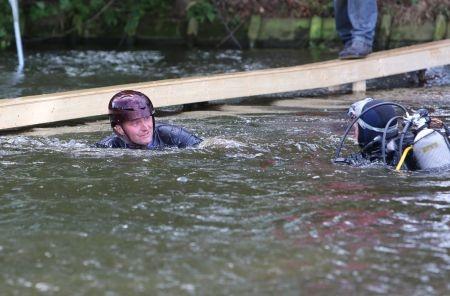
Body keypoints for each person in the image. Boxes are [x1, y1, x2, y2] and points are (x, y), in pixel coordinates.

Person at [334, 98, 450, 171]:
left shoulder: (363, 161)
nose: (354, 133)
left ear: (366, 131)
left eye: (356, 127)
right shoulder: (411, 139)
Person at [96, 90, 202, 149]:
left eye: (147, 118)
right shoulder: (107, 147)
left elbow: (207, 146)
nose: (145, 128)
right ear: (119, 129)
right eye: (135, 123)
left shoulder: (173, 136)